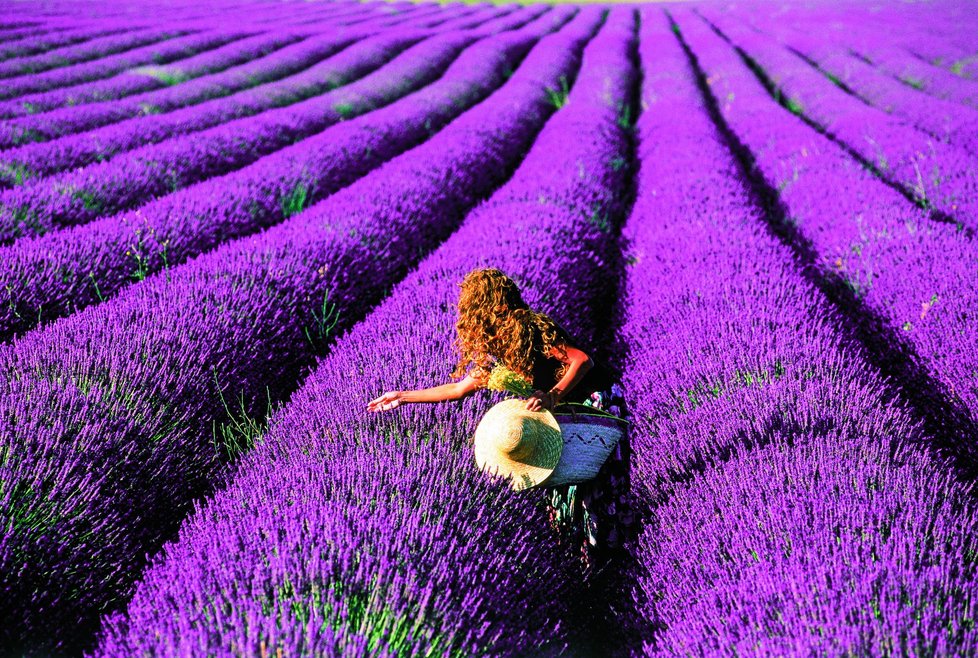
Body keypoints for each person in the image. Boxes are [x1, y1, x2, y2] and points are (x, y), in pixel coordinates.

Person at [367, 267, 635, 572]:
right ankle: (587, 566)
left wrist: (552, 395)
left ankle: (618, 563)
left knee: (599, 488)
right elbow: (458, 389)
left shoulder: (535, 328)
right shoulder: (495, 350)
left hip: (594, 404)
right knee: (562, 490)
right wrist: (401, 396)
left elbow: (581, 360)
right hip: (561, 412)